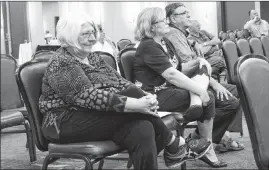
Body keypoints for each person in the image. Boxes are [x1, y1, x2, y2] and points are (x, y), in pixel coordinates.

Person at [38, 12, 211, 170]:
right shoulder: (62, 62)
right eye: (86, 34)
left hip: (94, 114)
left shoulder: (92, 57)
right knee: (137, 114)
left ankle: (174, 148)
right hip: (62, 121)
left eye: (93, 33)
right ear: (69, 37)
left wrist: (145, 97)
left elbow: (120, 82)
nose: (92, 38)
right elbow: (87, 96)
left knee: (142, 128)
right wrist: (137, 104)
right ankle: (175, 145)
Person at [133, 7, 227, 168]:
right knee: (208, 97)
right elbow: (171, 75)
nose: (166, 21)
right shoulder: (148, 46)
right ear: (152, 26)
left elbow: (178, 68)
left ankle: (196, 107)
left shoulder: (164, 42)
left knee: (204, 79)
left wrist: (200, 62)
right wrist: (198, 90)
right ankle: (207, 149)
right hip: (153, 94)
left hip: (167, 89)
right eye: (163, 20)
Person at [164, 2, 244, 160]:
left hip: (197, 77)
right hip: (187, 83)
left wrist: (196, 47)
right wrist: (213, 82)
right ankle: (209, 140)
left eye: (188, 12)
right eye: (184, 13)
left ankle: (207, 137)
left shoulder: (183, 34)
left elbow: (202, 59)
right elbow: (192, 66)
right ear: (173, 18)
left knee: (235, 90)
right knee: (230, 101)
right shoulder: (173, 33)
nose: (189, 15)